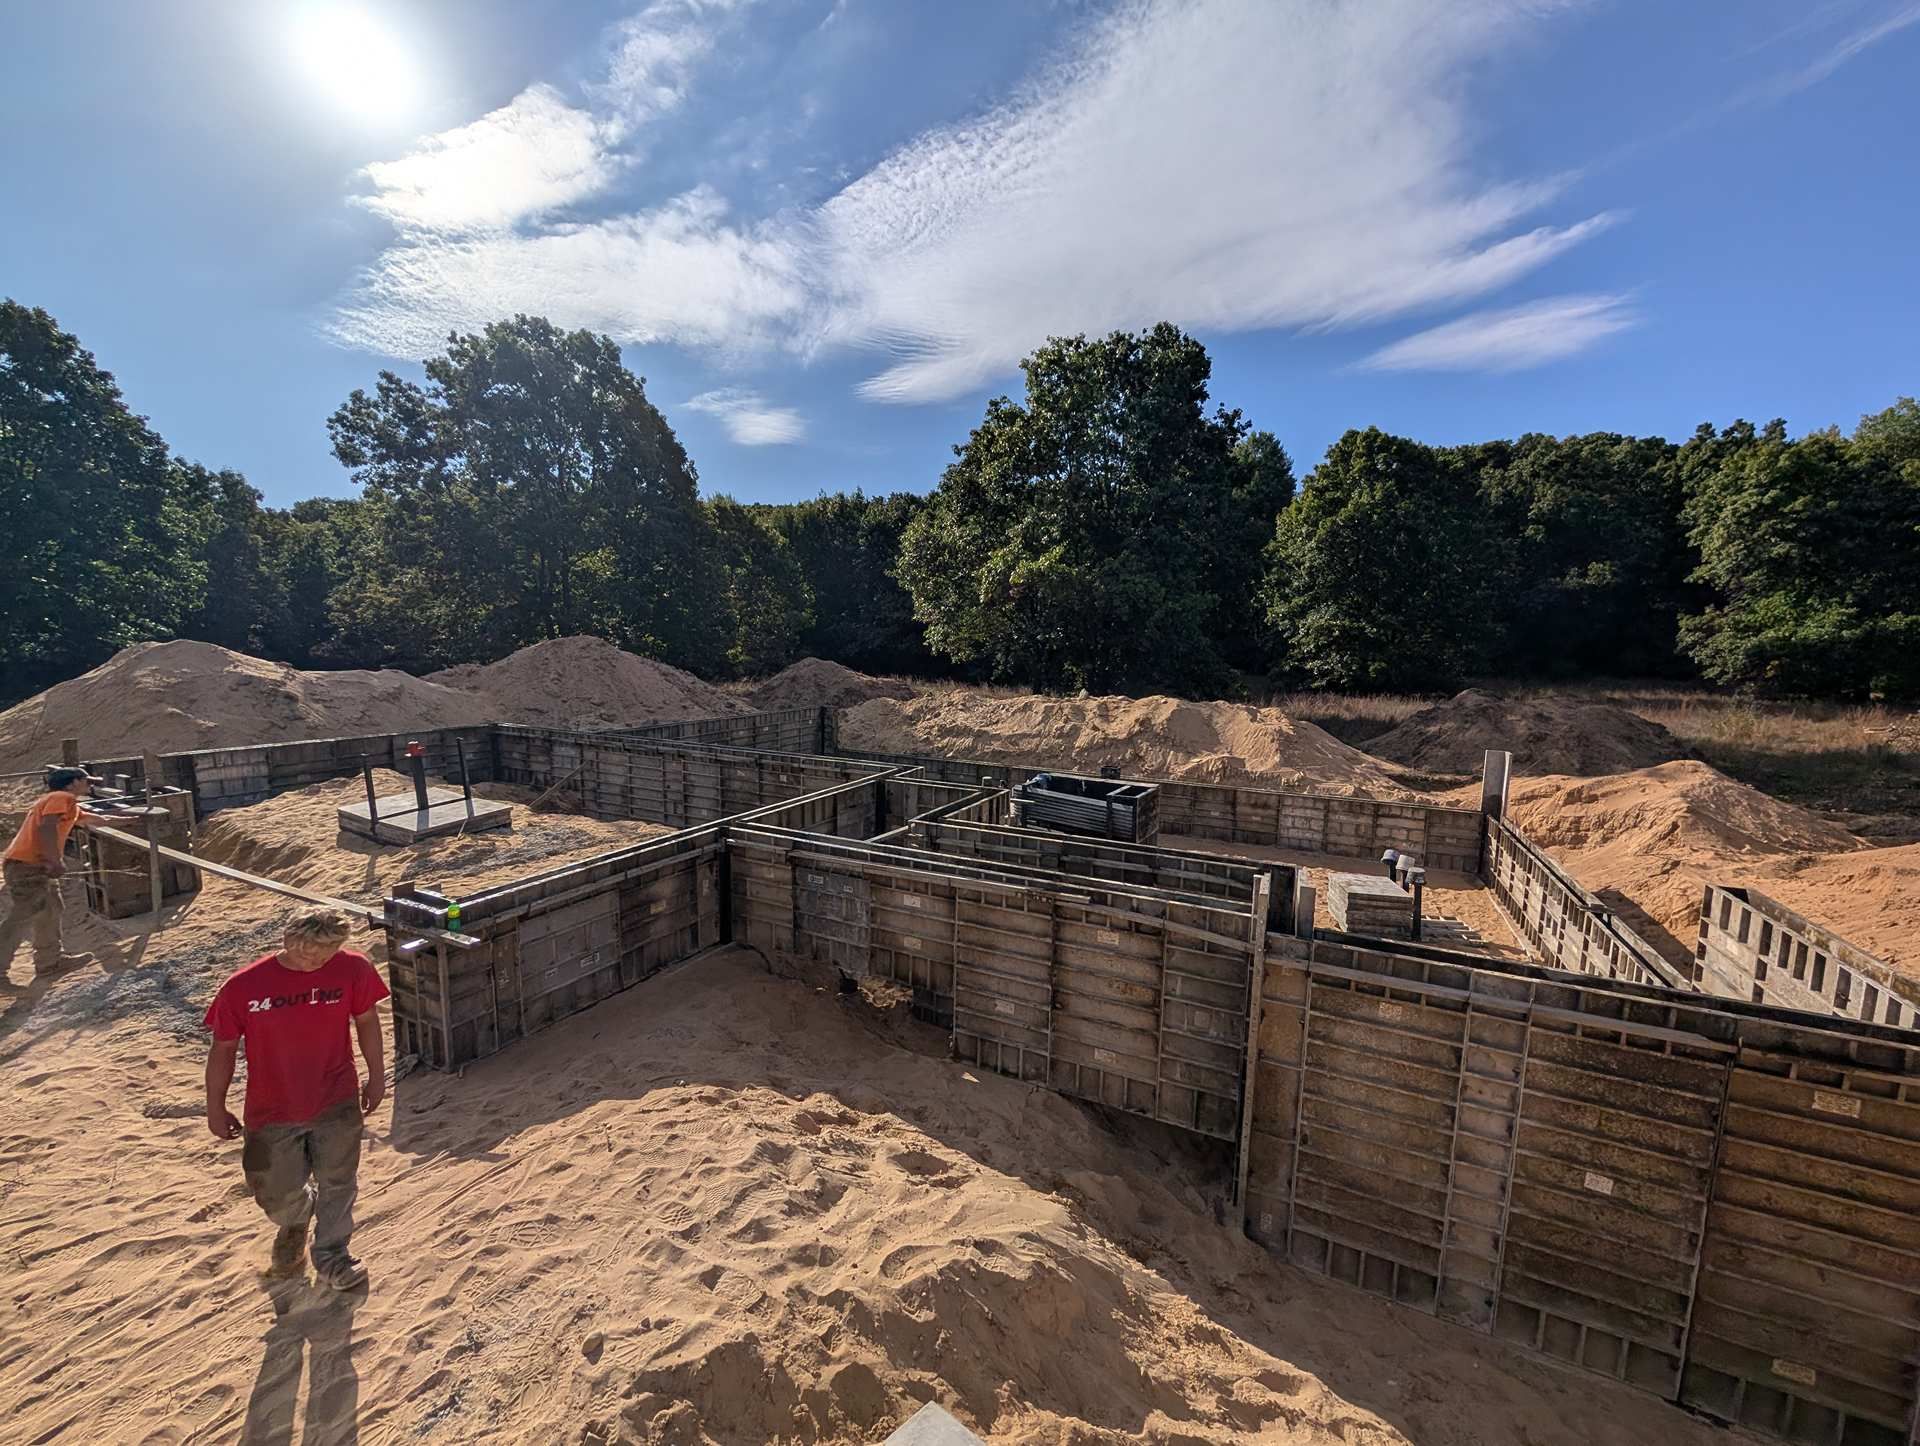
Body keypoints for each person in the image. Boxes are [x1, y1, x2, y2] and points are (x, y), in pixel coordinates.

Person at [204, 908, 390, 1290]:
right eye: (307, 953)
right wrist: (215, 1105)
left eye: (325, 954)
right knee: (273, 1190)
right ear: (287, 941)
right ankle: (296, 1219)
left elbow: (368, 1022)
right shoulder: (243, 987)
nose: (315, 962)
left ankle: (333, 1256)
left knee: (339, 1182)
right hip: (271, 1110)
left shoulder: (353, 969)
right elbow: (222, 1049)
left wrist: (376, 1076)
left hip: (336, 1099)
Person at [0, 765, 105, 975]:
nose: (89, 785)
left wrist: (131, 819)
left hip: (30, 864)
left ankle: (49, 961)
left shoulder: (66, 805)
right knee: (23, 915)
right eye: (87, 781)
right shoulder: (60, 798)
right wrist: (55, 860)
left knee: (50, 909)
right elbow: (47, 827)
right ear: (73, 782)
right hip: (28, 865)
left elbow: (95, 818)